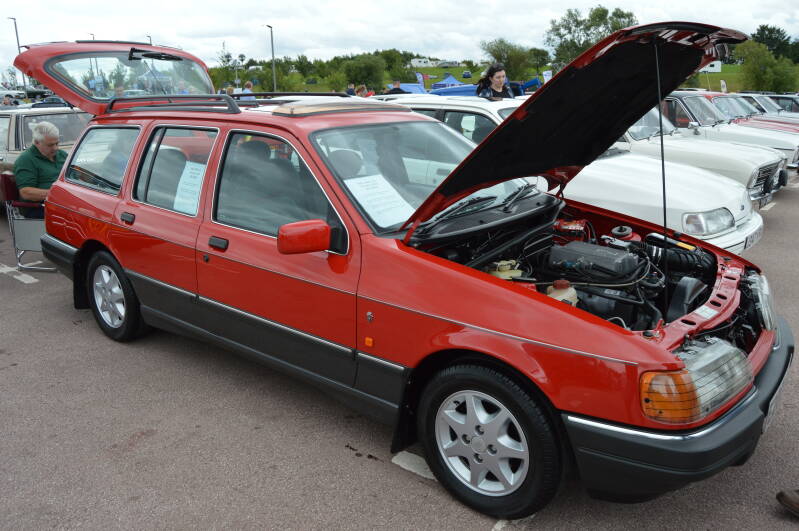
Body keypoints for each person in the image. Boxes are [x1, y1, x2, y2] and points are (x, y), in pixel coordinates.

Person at [13, 121, 68, 219]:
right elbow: (26, 192)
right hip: (39, 207)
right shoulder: (26, 160)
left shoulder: (62, 155)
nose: (55, 148)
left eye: (57, 143)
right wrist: (59, 194)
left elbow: (77, 175)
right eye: (50, 145)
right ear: (37, 142)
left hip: (64, 203)